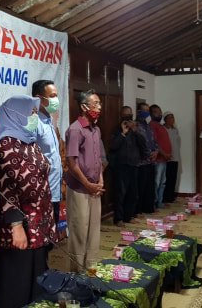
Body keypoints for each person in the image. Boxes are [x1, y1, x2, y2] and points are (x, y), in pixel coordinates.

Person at [0, 95, 57, 308]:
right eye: (31, 112)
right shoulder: (5, 146)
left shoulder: (30, 141)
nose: (34, 116)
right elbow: (7, 190)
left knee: (37, 282)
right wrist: (16, 226)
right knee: (16, 285)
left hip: (39, 224)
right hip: (19, 226)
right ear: (15, 115)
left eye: (35, 112)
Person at [64, 89, 104, 272]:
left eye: (99, 103)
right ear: (83, 106)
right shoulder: (75, 129)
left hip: (95, 188)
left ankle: (91, 270)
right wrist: (87, 184)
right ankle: (77, 273)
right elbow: (71, 162)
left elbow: (98, 160)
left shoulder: (96, 129)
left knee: (94, 231)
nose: (99, 107)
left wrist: (100, 180)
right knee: (80, 231)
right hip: (80, 189)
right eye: (95, 103)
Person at [109, 106, 147, 227]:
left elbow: (143, 144)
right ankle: (118, 218)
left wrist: (135, 130)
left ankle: (128, 216)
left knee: (133, 192)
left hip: (134, 164)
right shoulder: (116, 130)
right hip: (121, 165)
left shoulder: (136, 129)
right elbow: (113, 146)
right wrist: (123, 134)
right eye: (125, 114)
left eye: (130, 114)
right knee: (120, 193)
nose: (128, 116)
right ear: (121, 115)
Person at [32, 80, 63, 226]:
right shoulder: (34, 122)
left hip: (54, 191)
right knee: (42, 239)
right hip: (41, 193)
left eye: (56, 96)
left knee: (50, 238)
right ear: (39, 99)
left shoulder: (49, 121)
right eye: (52, 96)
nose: (56, 100)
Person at [135, 103, 159, 215]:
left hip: (151, 161)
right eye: (143, 110)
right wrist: (149, 153)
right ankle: (139, 210)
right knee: (141, 187)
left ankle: (149, 208)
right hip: (141, 162)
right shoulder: (136, 126)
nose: (145, 112)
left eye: (147, 110)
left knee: (150, 186)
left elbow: (154, 141)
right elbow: (140, 143)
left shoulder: (148, 126)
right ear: (138, 111)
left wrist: (156, 152)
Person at [149, 104, 172, 208]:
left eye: (160, 111)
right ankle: (153, 203)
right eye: (156, 112)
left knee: (162, 182)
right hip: (158, 159)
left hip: (164, 159)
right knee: (157, 182)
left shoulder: (160, 125)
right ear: (151, 114)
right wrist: (164, 154)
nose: (160, 113)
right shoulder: (153, 125)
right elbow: (155, 143)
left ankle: (160, 202)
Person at [163, 112, 180, 203]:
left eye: (172, 117)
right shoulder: (162, 129)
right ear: (165, 119)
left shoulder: (175, 129)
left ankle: (170, 197)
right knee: (165, 178)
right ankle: (164, 198)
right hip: (166, 158)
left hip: (175, 157)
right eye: (169, 118)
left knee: (173, 178)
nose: (171, 119)